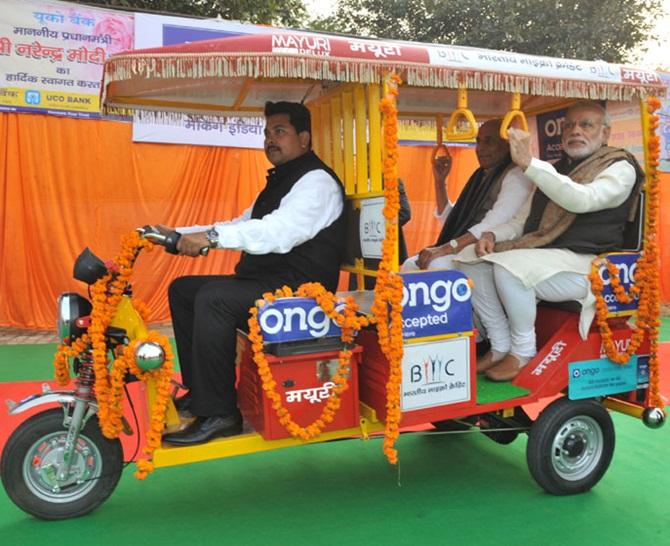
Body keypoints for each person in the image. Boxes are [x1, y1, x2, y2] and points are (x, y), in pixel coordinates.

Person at [160, 101, 346, 445]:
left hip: (301, 292)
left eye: (280, 132)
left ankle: (220, 414)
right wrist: (176, 234)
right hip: (269, 281)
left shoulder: (316, 182)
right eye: (266, 134)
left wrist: (211, 239)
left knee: (215, 300)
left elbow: (279, 231)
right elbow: (243, 224)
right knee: (183, 290)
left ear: (304, 138)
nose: (270, 140)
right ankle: (202, 394)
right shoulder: (283, 180)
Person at [456, 101, 643, 381]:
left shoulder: (619, 167)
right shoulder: (558, 168)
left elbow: (583, 199)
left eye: (586, 125)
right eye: (569, 125)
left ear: (605, 134)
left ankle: (522, 352)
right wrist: (492, 235)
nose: (575, 131)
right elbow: (521, 221)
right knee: (469, 260)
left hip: (591, 266)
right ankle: (500, 344)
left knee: (509, 268)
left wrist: (531, 165)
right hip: (548, 257)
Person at [401, 119, 533, 271]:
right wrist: (440, 181)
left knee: (435, 264)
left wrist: (445, 249)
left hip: (491, 249)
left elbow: (493, 224)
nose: (480, 148)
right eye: (479, 141)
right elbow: (452, 220)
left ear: (507, 144)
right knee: (410, 264)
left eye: (489, 141)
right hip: (466, 247)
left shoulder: (517, 175)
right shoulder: (480, 176)